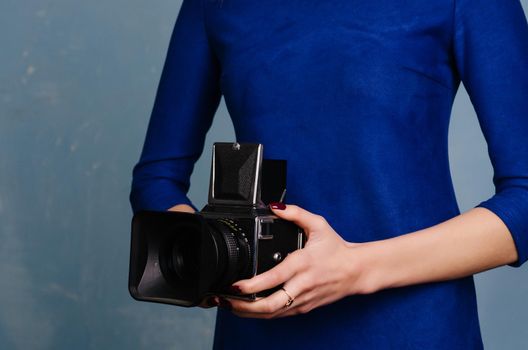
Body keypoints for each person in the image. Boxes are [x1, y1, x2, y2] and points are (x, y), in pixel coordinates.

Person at [130, 0, 528, 348]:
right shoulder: (216, 3)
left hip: (412, 331)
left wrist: (354, 267)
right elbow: (156, 179)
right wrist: (205, 254)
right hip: (259, 325)